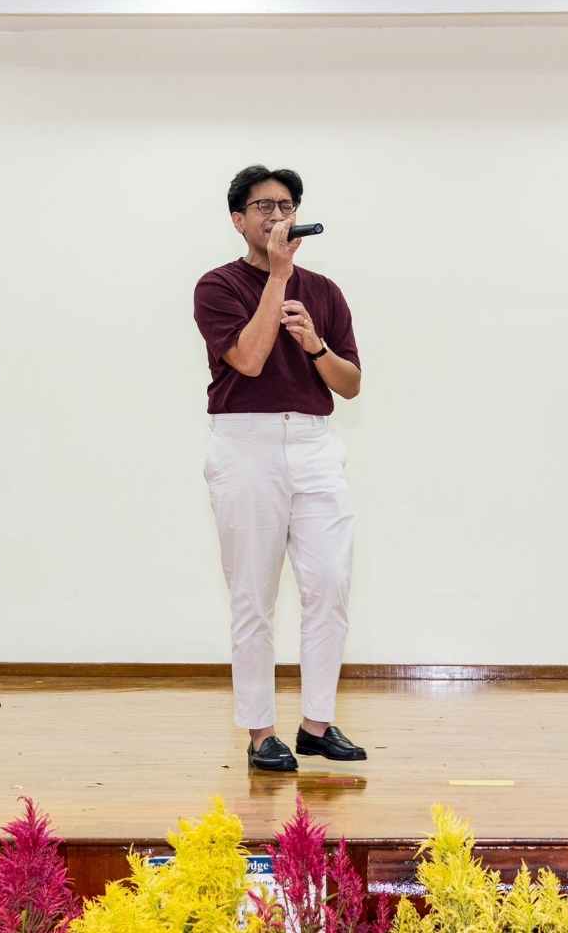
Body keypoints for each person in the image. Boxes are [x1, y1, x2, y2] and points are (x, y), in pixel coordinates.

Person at [193, 165, 366, 773]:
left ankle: (316, 723)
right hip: (247, 444)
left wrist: (317, 344)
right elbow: (248, 356)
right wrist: (278, 278)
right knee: (253, 596)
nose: (276, 215)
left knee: (330, 586)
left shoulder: (327, 291)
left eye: (286, 205)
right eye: (263, 206)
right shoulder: (217, 286)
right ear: (238, 220)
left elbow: (350, 383)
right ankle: (261, 731)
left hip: (316, 442)